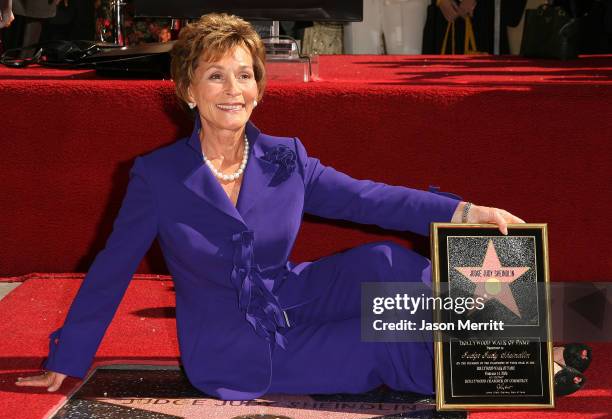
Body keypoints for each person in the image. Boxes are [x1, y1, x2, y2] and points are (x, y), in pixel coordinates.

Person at [14, 13, 589, 399]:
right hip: (237, 349)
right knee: (379, 341)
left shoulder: (283, 158)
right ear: (187, 89)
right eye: (215, 76)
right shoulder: (158, 176)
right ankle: (509, 374)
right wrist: (68, 356)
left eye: (244, 75)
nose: (233, 89)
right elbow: (113, 267)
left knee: (387, 264)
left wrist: (467, 212)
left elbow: (368, 197)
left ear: (261, 87)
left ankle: (522, 334)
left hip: (294, 293)